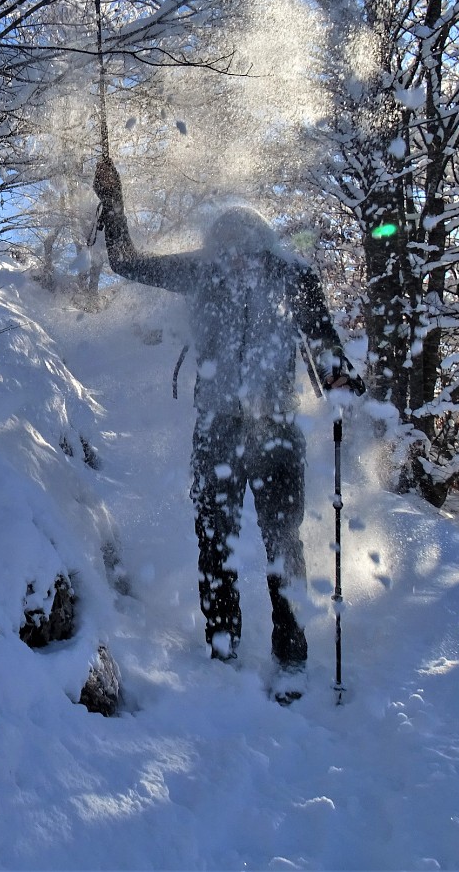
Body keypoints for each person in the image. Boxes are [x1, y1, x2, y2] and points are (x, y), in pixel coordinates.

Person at [92, 157, 362, 702]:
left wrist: (338, 376)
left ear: (262, 247)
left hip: (277, 432)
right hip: (217, 431)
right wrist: (113, 200)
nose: (236, 259)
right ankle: (223, 645)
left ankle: (290, 655)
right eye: (226, 249)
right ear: (216, 249)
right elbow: (126, 262)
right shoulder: (200, 270)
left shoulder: (293, 277)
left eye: (245, 249)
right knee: (214, 541)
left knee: (283, 544)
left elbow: (326, 346)